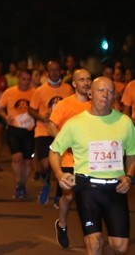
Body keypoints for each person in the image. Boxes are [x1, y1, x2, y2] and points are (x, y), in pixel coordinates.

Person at [49, 77, 135, 255]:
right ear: (90, 93)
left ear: (114, 96)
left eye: (110, 91)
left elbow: (132, 154)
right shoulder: (75, 123)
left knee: (120, 248)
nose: (105, 95)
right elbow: (54, 151)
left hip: (116, 189)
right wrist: (59, 174)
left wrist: (129, 176)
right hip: (87, 188)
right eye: (100, 90)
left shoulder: (125, 122)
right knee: (94, 244)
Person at [46, 68, 91, 248]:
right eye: (81, 80)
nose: (86, 83)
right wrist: (66, 144)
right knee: (69, 196)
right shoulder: (64, 104)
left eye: (89, 79)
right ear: (74, 83)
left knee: (88, 197)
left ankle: (92, 235)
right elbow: (51, 127)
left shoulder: (95, 105)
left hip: (89, 161)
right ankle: (62, 224)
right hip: (67, 159)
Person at [29, 60, 73, 205]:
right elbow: (31, 109)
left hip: (62, 132)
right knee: (46, 165)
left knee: (62, 165)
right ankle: (46, 182)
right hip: (43, 130)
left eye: (56, 69)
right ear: (47, 73)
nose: (54, 73)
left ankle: (60, 195)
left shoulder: (68, 89)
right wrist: (41, 117)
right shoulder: (40, 90)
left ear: (60, 70)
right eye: (51, 70)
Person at [0, 69, 36, 199]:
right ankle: (19, 185)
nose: (25, 82)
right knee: (17, 158)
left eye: (28, 80)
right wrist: (5, 117)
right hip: (14, 129)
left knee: (28, 161)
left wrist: (38, 118)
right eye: (23, 79)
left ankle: (22, 185)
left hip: (29, 130)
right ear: (19, 78)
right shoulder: (9, 92)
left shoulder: (35, 93)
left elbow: (39, 110)